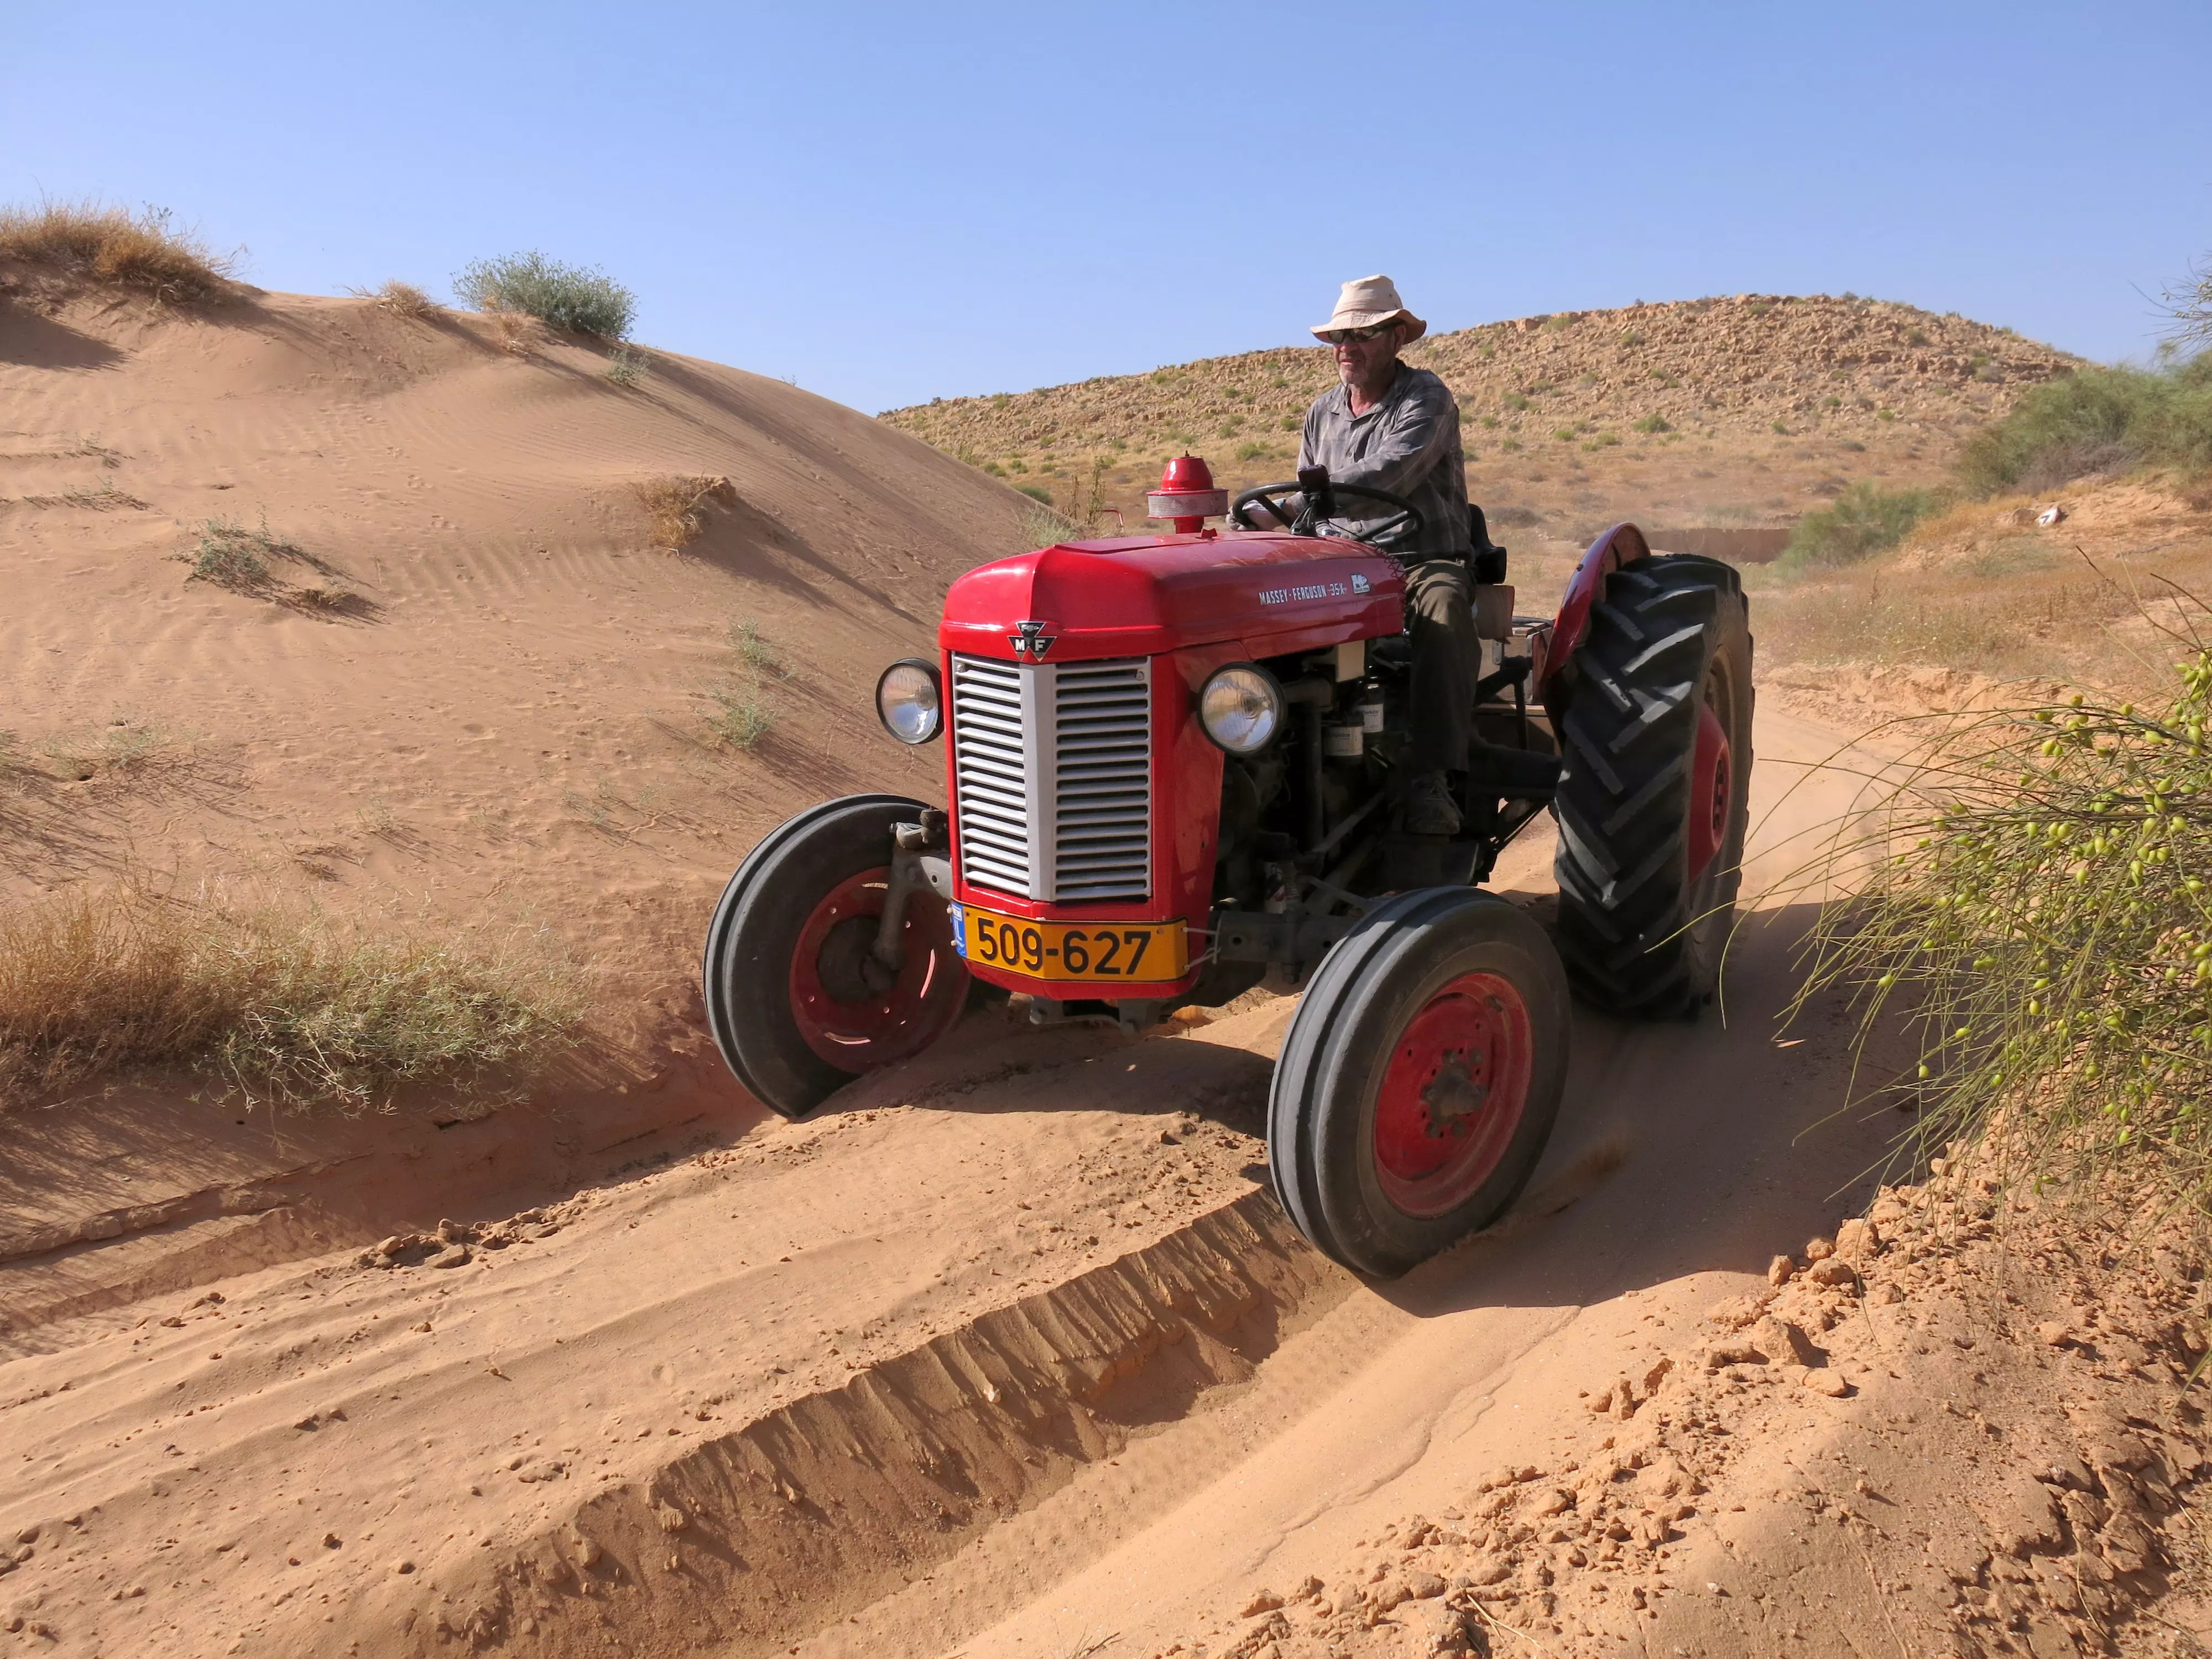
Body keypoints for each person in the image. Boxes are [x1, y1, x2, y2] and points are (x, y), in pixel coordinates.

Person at [1290, 274, 1480, 835]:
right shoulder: (1321, 412)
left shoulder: (1425, 399)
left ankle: (1429, 777)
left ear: (1397, 337)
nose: (1346, 347)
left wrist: (1310, 496)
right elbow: (1308, 502)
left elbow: (1391, 473)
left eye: (1363, 334)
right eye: (1337, 337)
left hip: (1418, 559)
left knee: (1442, 611)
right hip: (1339, 564)